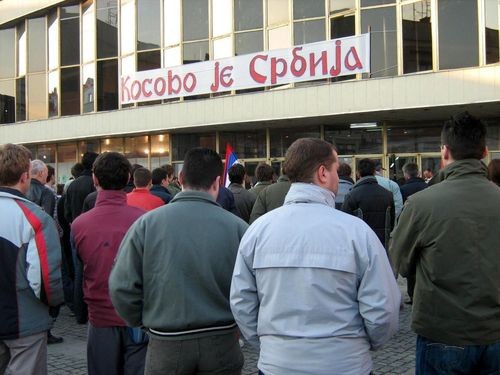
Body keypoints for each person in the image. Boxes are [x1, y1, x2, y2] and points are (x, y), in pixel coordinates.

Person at [230, 138, 400, 375]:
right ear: (322, 173)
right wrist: (357, 346)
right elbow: (383, 309)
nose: (337, 176)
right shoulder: (357, 232)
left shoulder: (258, 231)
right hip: (345, 365)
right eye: (335, 169)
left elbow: (241, 302)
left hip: (277, 365)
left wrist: (271, 346)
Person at [109, 148, 247, 375]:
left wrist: (144, 322)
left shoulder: (147, 225)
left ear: (180, 178)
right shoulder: (239, 228)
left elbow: (121, 286)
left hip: (166, 341)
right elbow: (253, 289)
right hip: (222, 341)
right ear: (218, 182)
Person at [390, 112, 500, 374]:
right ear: (484, 152)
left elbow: (400, 263)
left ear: (444, 152)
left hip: (442, 330)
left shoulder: (421, 204)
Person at [71, 152, 147, 375]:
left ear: (95, 179)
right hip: (137, 316)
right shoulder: (144, 220)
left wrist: (79, 311)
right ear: (127, 179)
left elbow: (79, 273)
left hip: (100, 316)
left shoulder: (79, 225)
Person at [0, 144, 64, 375]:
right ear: (25, 176)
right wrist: (54, 303)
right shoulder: (36, 218)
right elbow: (45, 278)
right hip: (25, 321)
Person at [26, 159, 63, 344]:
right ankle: (46, 329)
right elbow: (47, 220)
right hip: (41, 244)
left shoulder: (23, 192)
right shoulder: (46, 193)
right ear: (42, 174)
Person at [342, 159, 395, 249]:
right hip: (383, 246)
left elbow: (345, 224)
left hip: (361, 247)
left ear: (358, 173)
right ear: (374, 172)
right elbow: (392, 222)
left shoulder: (352, 195)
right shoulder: (388, 194)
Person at [64, 152, 99, 223]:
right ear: (95, 165)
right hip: (92, 225)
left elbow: (67, 211)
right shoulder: (97, 183)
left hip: (75, 226)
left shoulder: (72, 184)